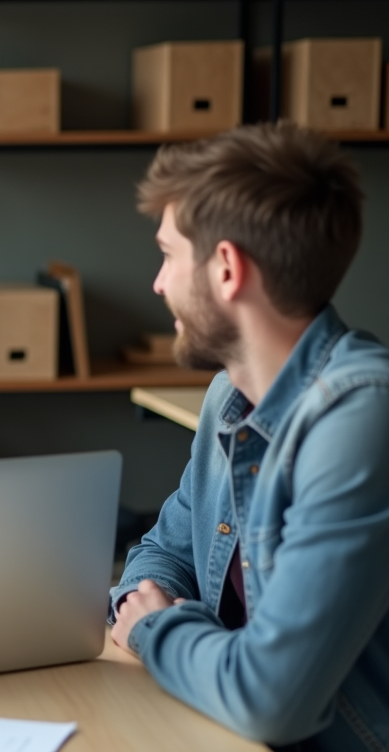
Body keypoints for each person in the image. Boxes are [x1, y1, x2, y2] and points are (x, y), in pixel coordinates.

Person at [109, 123, 389, 751]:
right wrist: (145, 605)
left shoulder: (360, 419)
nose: (158, 283)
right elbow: (162, 553)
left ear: (227, 268)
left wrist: (157, 630)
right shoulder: (229, 398)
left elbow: (271, 700)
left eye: (168, 254)